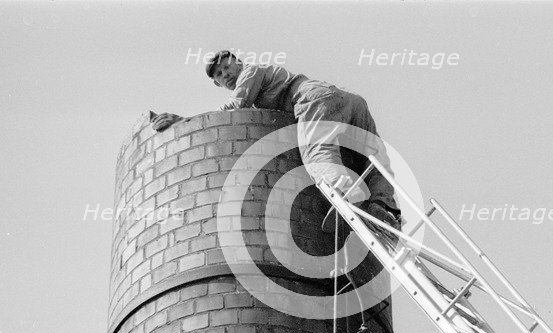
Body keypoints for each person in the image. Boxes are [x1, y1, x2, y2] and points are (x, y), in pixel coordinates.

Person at [152, 50, 402, 238]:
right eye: (218, 74)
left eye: (226, 66)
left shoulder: (251, 72)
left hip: (313, 99)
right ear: (216, 83)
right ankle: (384, 207)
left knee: (317, 156)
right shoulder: (258, 76)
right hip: (349, 100)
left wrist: (187, 122)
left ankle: (351, 197)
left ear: (237, 62)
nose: (225, 74)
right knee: (373, 158)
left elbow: (233, 108)